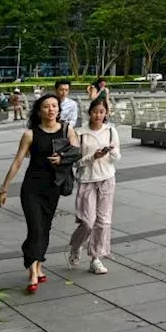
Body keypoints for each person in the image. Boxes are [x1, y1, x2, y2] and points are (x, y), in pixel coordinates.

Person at [0, 93, 80, 294]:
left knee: (45, 227)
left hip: (53, 188)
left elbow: (76, 152)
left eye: (54, 106)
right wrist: (4, 189)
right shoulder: (30, 134)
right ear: (39, 111)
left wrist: (62, 159)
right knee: (35, 228)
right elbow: (17, 161)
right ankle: (33, 271)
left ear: (58, 110)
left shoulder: (67, 131)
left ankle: (38, 264)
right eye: (46, 106)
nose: (51, 110)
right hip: (31, 188)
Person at [69, 96, 119, 275]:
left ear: (106, 113)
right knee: (87, 222)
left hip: (106, 179)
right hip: (87, 180)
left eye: (102, 112)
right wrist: (93, 157)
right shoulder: (79, 133)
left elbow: (117, 158)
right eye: (95, 112)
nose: (98, 115)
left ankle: (96, 258)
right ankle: (75, 246)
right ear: (89, 113)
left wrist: (111, 152)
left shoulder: (111, 131)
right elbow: (75, 162)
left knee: (103, 222)